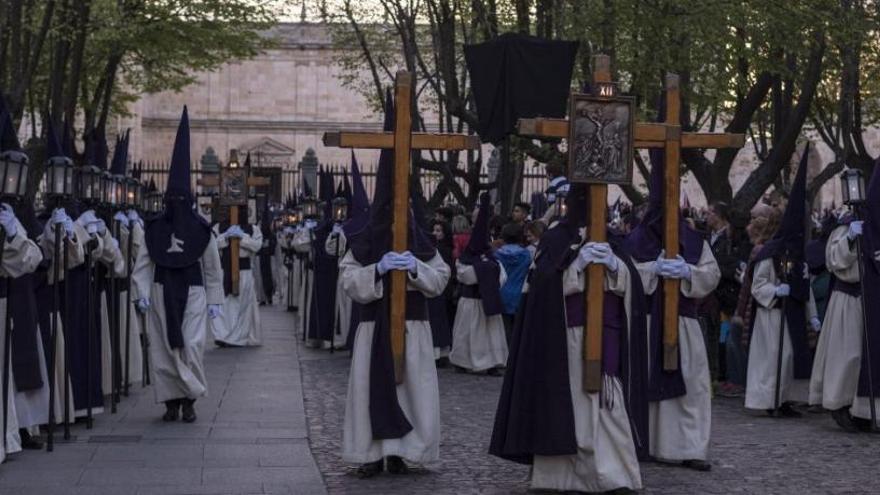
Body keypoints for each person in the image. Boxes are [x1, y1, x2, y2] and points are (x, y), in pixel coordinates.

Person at [490, 184, 648, 493]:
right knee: (564, 403)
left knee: (606, 402)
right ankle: (559, 476)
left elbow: (633, 287)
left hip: (606, 333)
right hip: (566, 335)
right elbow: (540, 288)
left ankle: (612, 473)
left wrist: (615, 267)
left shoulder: (613, 241)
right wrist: (574, 266)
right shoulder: (554, 238)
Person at [340, 93, 450, 477]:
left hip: (413, 326)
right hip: (373, 328)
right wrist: (379, 270)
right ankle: (371, 452)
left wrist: (415, 267)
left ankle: (404, 450)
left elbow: (439, 279)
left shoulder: (420, 240)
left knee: (413, 388)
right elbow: (350, 281)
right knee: (370, 387)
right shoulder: (367, 240)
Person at [628, 148, 720, 472]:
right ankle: (648, 442)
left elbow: (711, 275)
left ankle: (690, 446)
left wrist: (687, 273)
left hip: (683, 323)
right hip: (647, 322)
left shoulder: (695, 242)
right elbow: (621, 276)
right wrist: (653, 269)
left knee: (692, 387)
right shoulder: (636, 240)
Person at [132, 107, 223, 423]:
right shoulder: (155, 228)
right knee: (163, 349)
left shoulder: (200, 230)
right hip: (160, 290)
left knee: (192, 346)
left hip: (194, 292)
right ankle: (172, 401)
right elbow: (143, 264)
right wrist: (141, 291)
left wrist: (215, 301)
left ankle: (190, 398)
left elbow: (212, 269)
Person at [745, 151, 820, 417]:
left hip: (793, 314)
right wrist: (774, 290)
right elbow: (758, 284)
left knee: (790, 358)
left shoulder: (798, 255)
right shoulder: (772, 252)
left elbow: (805, 285)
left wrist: (812, 317)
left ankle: (785, 399)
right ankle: (769, 400)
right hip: (772, 315)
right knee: (774, 359)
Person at [809, 164, 880, 432]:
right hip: (850, 300)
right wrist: (851, 239)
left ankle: (867, 410)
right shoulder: (849, 224)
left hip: (873, 302)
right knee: (849, 357)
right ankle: (842, 404)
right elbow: (833, 259)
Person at [449, 193, 508, 375]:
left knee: (490, 335)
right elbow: (465, 276)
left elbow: (502, 278)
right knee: (466, 333)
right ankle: (463, 360)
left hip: (486, 302)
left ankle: (491, 362)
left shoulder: (493, 260)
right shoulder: (465, 260)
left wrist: (486, 268)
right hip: (469, 302)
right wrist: (484, 269)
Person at [211, 203, 264, 347]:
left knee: (241, 306)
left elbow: (257, 245)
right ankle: (222, 335)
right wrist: (226, 237)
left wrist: (242, 237)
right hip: (224, 271)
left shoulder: (253, 229)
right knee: (224, 306)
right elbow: (212, 245)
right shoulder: (218, 228)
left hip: (243, 271)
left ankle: (238, 337)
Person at [493, 222, 530, 343]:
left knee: (503, 329)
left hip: (501, 294)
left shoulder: (497, 255)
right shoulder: (526, 255)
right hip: (520, 294)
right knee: (518, 329)